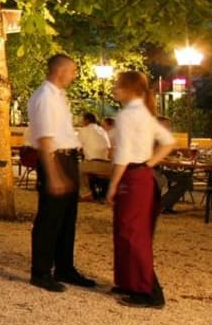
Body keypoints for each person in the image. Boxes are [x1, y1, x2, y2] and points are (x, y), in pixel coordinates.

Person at [27, 53, 96, 292]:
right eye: (72, 71)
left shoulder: (59, 96)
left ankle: (65, 267)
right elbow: (45, 138)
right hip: (55, 158)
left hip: (68, 157)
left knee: (67, 218)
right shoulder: (45, 97)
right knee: (50, 218)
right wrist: (54, 174)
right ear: (60, 71)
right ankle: (41, 271)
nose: (74, 76)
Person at [107, 71, 174, 308]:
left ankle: (146, 290)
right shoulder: (144, 113)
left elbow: (123, 153)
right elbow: (168, 141)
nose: (114, 89)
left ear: (129, 88)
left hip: (132, 176)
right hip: (142, 175)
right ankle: (130, 282)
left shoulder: (128, 115)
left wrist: (113, 185)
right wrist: (150, 163)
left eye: (118, 85)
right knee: (129, 230)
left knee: (132, 233)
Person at [155, 116, 192, 213]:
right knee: (160, 180)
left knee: (186, 180)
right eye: (166, 126)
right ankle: (161, 205)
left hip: (163, 168)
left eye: (169, 126)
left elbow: (169, 152)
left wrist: (178, 152)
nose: (168, 128)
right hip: (153, 170)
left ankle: (165, 204)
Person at [78, 111, 112, 201]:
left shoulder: (84, 130)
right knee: (86, 165)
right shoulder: (102, 130)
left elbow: (76, 147)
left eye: (82, 120)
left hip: (95, 164)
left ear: (86, 120)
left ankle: (85, 193)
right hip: (108, 165)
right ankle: (92, 192)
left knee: (78, 168)